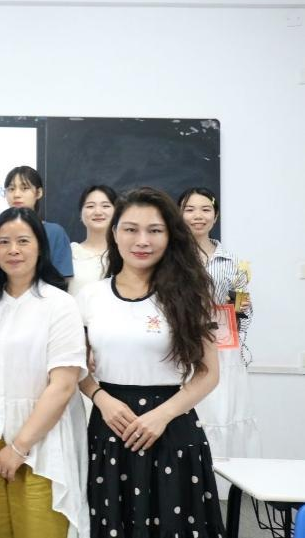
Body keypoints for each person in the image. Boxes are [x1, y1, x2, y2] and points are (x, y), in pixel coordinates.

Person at [76, 187, 224, 538]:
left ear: (169, 235)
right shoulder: (91, 296)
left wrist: (162, 416)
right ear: (115, 233)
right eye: (131, 229)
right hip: (111, 427)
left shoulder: (191, 294)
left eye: (154, 230)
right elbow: (76, 368)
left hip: (172, 428)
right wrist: (101, 398)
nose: (142, 240)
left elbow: (208, 374)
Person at [0, 206, 88, 538]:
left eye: (23, 241)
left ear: (40, 247)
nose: (13, 250)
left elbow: (62, 386)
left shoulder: (60, 304)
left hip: (40, 444)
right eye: (3, 242)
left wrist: (18, 448)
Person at [178, 187, 259, 470]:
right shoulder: (171, 257)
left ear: (216, 216)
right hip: (183, 349)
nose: (197, 216)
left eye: (205, 209)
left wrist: (237, 341)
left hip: (224, 350)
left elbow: (243, 308)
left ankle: (225, 478)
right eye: (189, 210)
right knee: (190, 412)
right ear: (179, 214)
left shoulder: (233, 262)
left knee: (223, 412)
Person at [2, 166, 73, 280]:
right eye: (11, 189)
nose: (16, 194)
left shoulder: (55, 233)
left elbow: (63, 278)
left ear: (38, 192)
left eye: (24, 188)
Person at [68, 185, 117, 297]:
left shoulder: (126, 254)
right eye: (90, 206)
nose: (98, 212)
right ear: (81, 214)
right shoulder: (69, 253)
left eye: (105, 206)